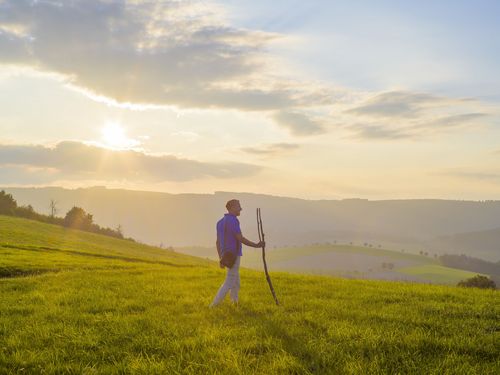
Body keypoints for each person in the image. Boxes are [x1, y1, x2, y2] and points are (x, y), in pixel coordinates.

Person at [210, 199, 264, 307]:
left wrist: (221, 258)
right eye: (239, 206)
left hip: (226, 255)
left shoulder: (220, 222)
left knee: (236, 282)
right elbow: (240, 238)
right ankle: (213, 306)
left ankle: (234, 303)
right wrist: (257, 245)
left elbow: (217, 242)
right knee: (229, 282)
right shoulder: (234, 221)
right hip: (234, 255)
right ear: (232, 207)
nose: (241, 209)